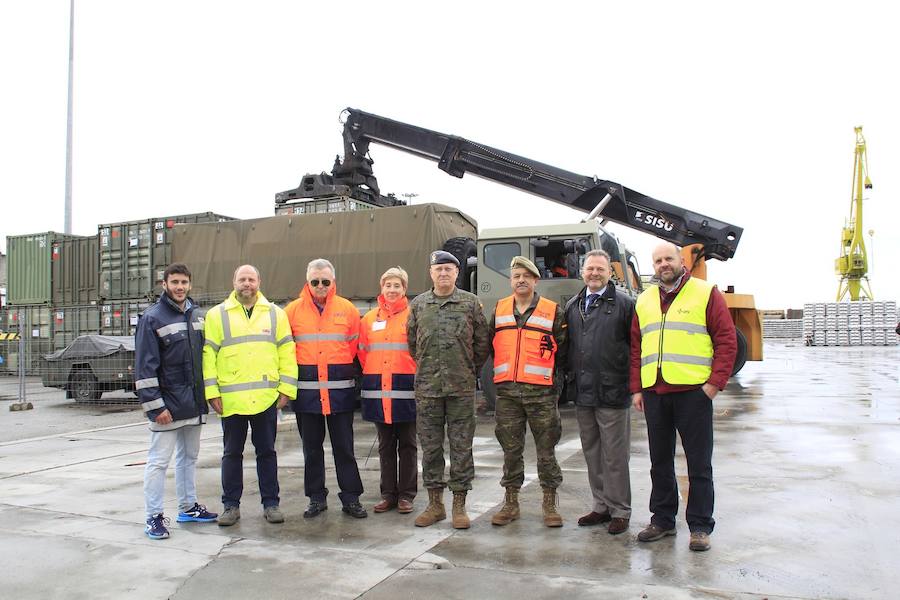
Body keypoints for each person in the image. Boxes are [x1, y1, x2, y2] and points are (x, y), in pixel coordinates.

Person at [631, 242, 736, 552]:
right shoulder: (645, 299)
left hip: (693, 393)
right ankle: (662, 519)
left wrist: (714, 384)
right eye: (658, 260)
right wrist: (637, 388)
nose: (663, 264)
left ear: (681, 261)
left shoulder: (705, 292)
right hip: (655, 392)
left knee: (699, 463)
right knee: (659, 461)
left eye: (669, 258)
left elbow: (726, 340)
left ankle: (700, 526)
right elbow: (636, 347)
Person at [203, 265, 297, 527]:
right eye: (242, 279)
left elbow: (287, 352)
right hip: (231, 400)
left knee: (267, 452)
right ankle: (230, 506)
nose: (247, 283)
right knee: (231, 453)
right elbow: (209, 356)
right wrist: (212, 392)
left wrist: (287, 389)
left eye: (251, 279)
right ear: (234, 282)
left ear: (259, 282)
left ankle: (271, 504)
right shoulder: (217, 315)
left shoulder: (276, 314)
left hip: (266, 398)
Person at [407, 250, 490, 529]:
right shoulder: (419, 304)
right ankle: (435, 505)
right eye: (438, 269)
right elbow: (413, 344)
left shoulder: (470, 303)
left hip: (460, 390)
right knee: (431, 449)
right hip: (428, 389)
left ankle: (459, 505)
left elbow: (482, 344)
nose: (443, 273)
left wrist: (466, 370)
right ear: (431, 273)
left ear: (457, 273)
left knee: (461, 448)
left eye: (448, 269)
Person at [136, 263, 217, 539]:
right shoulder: (152, 318)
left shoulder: (198, 316)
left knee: (189, 458)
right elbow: (145, 368)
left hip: (193, 405)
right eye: (175, 282)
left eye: (184, 282)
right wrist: (155, 406)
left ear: (190, 284)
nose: (179, 287)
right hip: (167, 408)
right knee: (158, 462)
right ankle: (153, 517)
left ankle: (188, 507)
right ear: (165, 285)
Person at [284, 259, 367, 519]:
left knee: (345, 449)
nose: (320, 286)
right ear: (307, 282)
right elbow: (286, 351)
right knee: (311, 450)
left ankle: (351, 498)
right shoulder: (292, 311)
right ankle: (316, 498)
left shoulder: (348, 310)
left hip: (339, 394)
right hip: (307, 396)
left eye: (325, 281)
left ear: (333, 282)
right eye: (315, 281)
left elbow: (354, 348)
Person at [489, 256, 567, 528]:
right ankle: (511, 503)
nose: (521, 280)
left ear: (535, 280)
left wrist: (554, 387)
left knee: (546, 451)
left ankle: (550, 504)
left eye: (526, 276)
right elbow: (492, 345)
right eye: (516, 276)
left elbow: (563, 352)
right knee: (511, 451)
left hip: (541, 395)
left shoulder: (553, 311)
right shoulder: (499, 309)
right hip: (508, 395)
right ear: (511, 281)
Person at [564, 250, 635, 535]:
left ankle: (620, 510)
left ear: (609, 273)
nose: (594, 273)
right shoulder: (573, 305)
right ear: (583, 272)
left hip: (613, 391)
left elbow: (635, 347)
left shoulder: (625, 305)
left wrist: (635, 386)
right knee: (592, 451)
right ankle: (601, 505)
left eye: (600, 269)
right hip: (584, 393)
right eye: (590, 268)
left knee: (615, 455)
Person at [358, 266, 418, 514]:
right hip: (378, 390)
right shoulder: (369, 319)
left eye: (397, 285)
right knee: (385, 445)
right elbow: (363, 352)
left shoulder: (413, 316)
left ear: (404, 289)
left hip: (406, 389)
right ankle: (388, 494)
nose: (392, 290)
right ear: (381, 288)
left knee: (408, 444)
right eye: (388, 285)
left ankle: (406, 495)